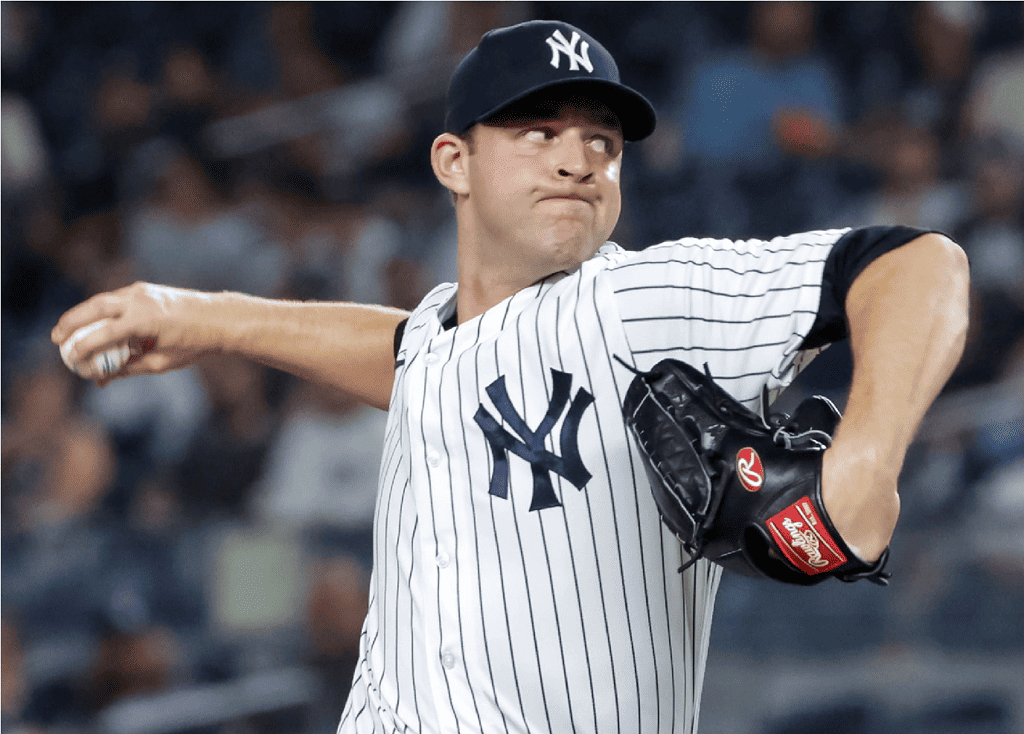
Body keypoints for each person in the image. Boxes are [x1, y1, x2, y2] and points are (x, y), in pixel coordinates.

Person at [53, 19, 969, 734]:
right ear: (454, 162)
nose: (579, 158)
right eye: (539, 131)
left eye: (602, 140)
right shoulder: (440, 339)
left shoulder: (645, 300)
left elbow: (919, 264)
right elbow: (409, 355)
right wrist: (206, 319)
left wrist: (866, 462)